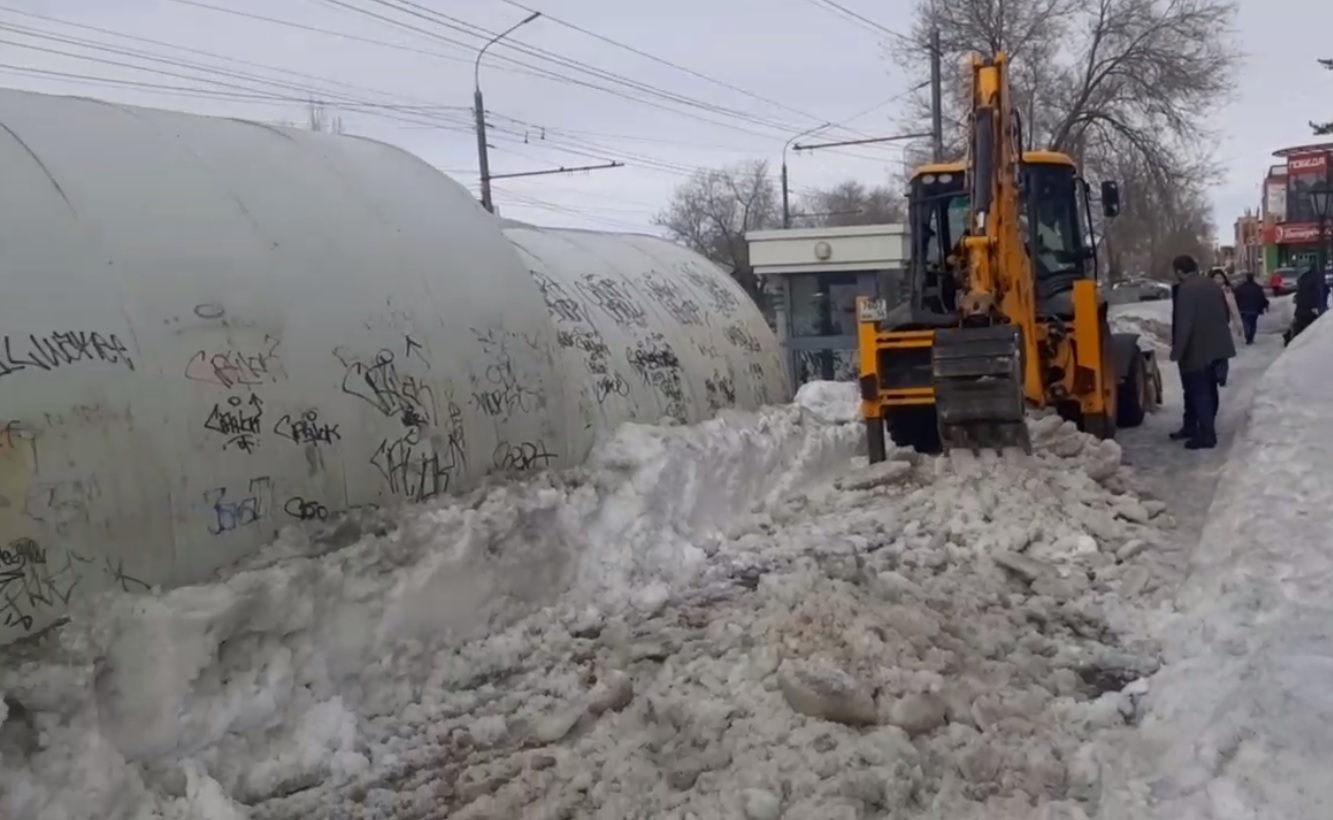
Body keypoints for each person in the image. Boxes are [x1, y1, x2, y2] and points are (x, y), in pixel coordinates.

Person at [1169, 255, 1236, 450]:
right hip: (1217, 346)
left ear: (1180, 271)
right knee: (1206, 389)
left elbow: (1184, 323)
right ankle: (1191, 426)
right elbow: (1224, 313)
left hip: (1196, 349)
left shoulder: (1186, 290)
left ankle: (1207, 435)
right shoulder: (1211, 285)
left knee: (1198, 391)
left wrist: (1177, 351)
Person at [1290, 262, 1325, 342]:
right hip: (1310, 309)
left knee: (1299, 327)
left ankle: (1293, 342)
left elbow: (1300, 292)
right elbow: (1321, 291)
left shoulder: (1304, 277)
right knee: (1311, 328)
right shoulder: (1317, 278)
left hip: (1301, 309)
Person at [1231, 272, 1269, 345]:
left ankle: (1247, 335)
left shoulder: (1240, 287)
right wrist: (1265, 305)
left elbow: (1236, 298)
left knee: (1246, 322)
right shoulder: (1257, 287)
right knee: (1253, 323)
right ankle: (1250, 337)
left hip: (1243, 309)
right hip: (1255, 309)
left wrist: (1237, 306)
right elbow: (1261, 298)